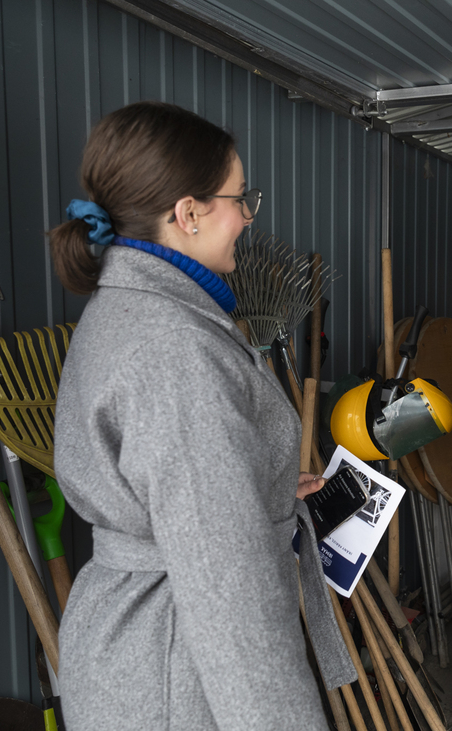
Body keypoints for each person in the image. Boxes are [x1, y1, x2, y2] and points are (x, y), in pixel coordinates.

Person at [50, 101, 353, 730]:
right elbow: (228, 592)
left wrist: (251, 492)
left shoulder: (129, 311)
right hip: (179, 671)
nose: (247, 216)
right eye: (240, 198)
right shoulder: (176, 348)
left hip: (134, 650)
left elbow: (173, 492)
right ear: (188, 214)